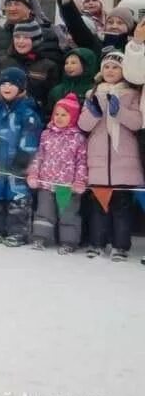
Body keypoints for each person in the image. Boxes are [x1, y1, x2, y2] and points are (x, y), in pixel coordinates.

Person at [77, 50, 142, 261]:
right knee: (98, 206)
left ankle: (120, 246)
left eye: (116, 66)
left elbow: (137, 123)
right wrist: (95, 112)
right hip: (98, 160)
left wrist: (119, 112)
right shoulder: (91, 94)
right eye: (107, 66)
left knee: (121, 207)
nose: (110, 70)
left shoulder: (132, 94)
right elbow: (83, 125)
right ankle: (97, 242)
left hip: (123, 159)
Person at [0, 66, 42, 247]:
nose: (7, 87)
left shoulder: (27, 113)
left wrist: (22, 160)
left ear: (21, 87)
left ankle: (18, 233)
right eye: (3, 83)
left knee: (17, 198)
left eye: (12, 84)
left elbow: (30, 138)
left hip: (17, 165)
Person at [27, 94, 87, 254]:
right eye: (57, 114)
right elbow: (39, 156)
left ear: (73, 117)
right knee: (44, 212)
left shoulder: (78, 138)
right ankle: (40, 237)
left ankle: (68, 241)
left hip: (66, 186)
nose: (59, 118)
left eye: (64, 115)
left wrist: (80, 181)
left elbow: (81, 162)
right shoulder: (46, 134)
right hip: (46, 182)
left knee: (68, 215)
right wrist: (33, 174)